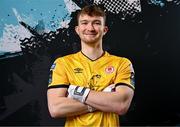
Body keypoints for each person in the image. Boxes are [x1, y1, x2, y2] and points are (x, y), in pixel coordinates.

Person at [47, 4, 135, 127]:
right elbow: (55, 109)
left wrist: (78, 93)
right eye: (84, 23)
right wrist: (106, 100)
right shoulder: (62, 64)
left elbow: (120, 105)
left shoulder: (122, 63)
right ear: (77, 30)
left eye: (97, 23)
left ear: (105, 30)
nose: (90, 28)